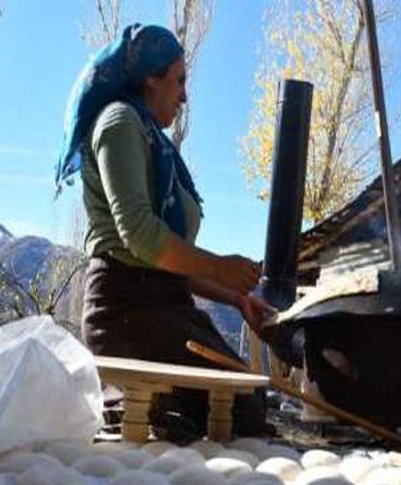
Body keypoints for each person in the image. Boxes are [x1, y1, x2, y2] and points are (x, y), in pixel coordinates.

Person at [54, 24, 275, 440]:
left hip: (161, 305)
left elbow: (165, 261)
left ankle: (155, 405)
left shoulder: (152, 139)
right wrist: (220, 267)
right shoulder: (118, 123)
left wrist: (237, 297)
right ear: (151, 78)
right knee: (240, 413)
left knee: (250, 399)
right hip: (125, 312)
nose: (185, 95)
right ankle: (135, 404)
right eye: (179, 80)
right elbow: (140, 237)